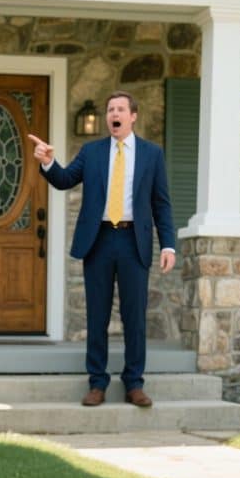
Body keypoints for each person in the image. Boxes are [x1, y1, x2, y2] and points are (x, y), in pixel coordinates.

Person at [28, 90, 176, 408]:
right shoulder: (92, 151)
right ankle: (97, 383)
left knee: (134, 316)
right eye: (110, 110)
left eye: (120, 109)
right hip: (99, 241)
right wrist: (48, 162)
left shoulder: (152, 154)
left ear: (133, 116)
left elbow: (161, 204)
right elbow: (65, 179)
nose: (114, 114)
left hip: (133, 240)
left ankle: (134, 383)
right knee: (97, 316)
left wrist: (169, 244)